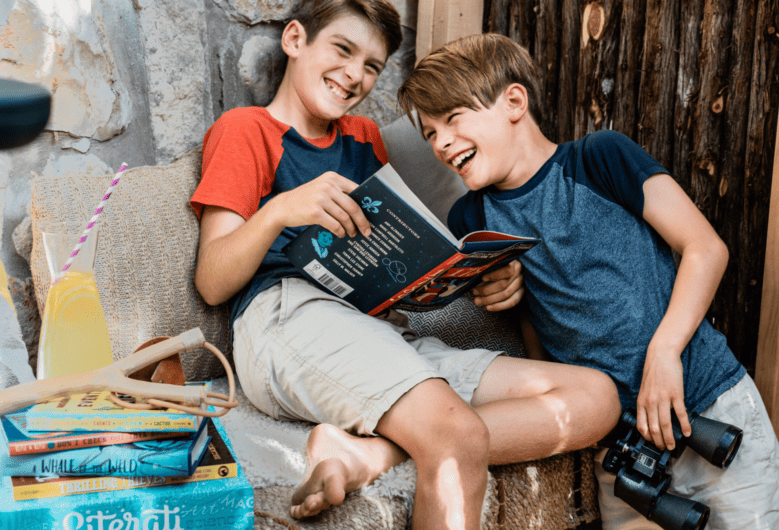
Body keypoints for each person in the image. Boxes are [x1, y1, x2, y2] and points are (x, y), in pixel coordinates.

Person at [189, 2, 621, 528]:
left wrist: (475, 277)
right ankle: (416, 438)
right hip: (287, 321)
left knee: (594, 397)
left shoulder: (362, 137)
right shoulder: (246, 129)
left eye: (372, 65)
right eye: (343, 50)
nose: (355, 75)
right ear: (295, 39)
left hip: (375, 329)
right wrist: (280, 210)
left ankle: (367, 453)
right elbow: (212, 282)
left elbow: (392, 250)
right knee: (455, 436)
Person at [397, 33, 779, 529]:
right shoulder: (472, 218)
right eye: (429, 134)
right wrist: (504, 296)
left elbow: (705, 248)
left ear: (513, 102)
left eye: (452, 119)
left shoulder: (599, 158)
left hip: (706, 402)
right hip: (621, 451)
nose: (440, 143)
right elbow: (535, 330)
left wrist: (664, 353)